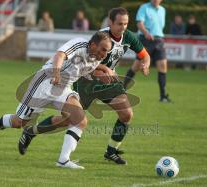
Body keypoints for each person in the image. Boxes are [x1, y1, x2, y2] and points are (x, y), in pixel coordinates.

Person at [18, 7, 150, 166]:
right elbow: (87, 61)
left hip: (108, 81)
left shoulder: (129, 36)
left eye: (126, 24)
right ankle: (31, 132)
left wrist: (145, 64)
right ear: (110, 22)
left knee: (127, 114)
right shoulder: (102, 36)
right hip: (87, 80)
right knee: (69, 119)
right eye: (120, 23)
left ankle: (111, 151)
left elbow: (144, 54)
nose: (123, 27)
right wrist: (102, 71)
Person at [0, 32, 112, 169]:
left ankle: (63, 160)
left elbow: (85, 69)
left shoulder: (97, 57)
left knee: (79, 120)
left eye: (107, 51)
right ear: (93, 45)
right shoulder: (79, 44)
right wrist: (56, 74)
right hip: (45, 82)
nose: (105, 54)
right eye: (103, 49)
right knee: (19, 122)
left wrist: (102, 72)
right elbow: (60, 55)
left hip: (63, 88)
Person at [124, 0, 171, 102]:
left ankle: (163, 96)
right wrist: (146, 33)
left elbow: (160, 26)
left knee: (163, 66)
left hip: (159, 40)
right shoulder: (144, 7)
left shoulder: (162, 10)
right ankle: (121, 90)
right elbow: (139, 23)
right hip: (146, 40)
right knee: (136, 66)